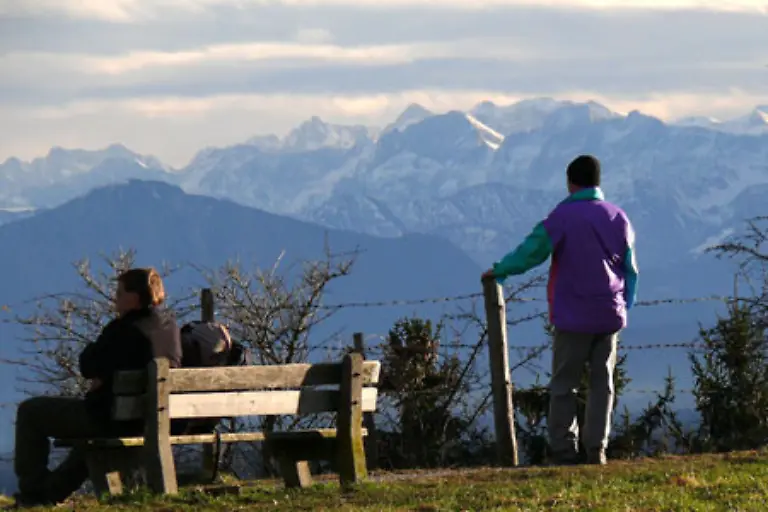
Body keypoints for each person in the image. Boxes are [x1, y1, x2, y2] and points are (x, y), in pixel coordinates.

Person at [482, 155, 638, 466]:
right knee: (602, 383)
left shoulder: (564, 216)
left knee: (564, 384)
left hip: (573, 314)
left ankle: (564, 450)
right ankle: (597, 450)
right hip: (609, 313)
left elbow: (532, 251)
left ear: (571, 182)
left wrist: (500, 271)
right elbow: (630, 269)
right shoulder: (618, 217)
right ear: (598, 181)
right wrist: (624, 304)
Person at [13, 267, 181, 507]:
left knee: (30, 412)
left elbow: (87, 364)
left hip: (111, 417)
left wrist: (102, 377)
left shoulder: (123, 329)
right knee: (89, 446)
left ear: (134, 298)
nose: (115, 298)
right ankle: (47, 493)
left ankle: (32, 492)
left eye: (120, 292)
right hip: (151, 420)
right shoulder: (169, 326)